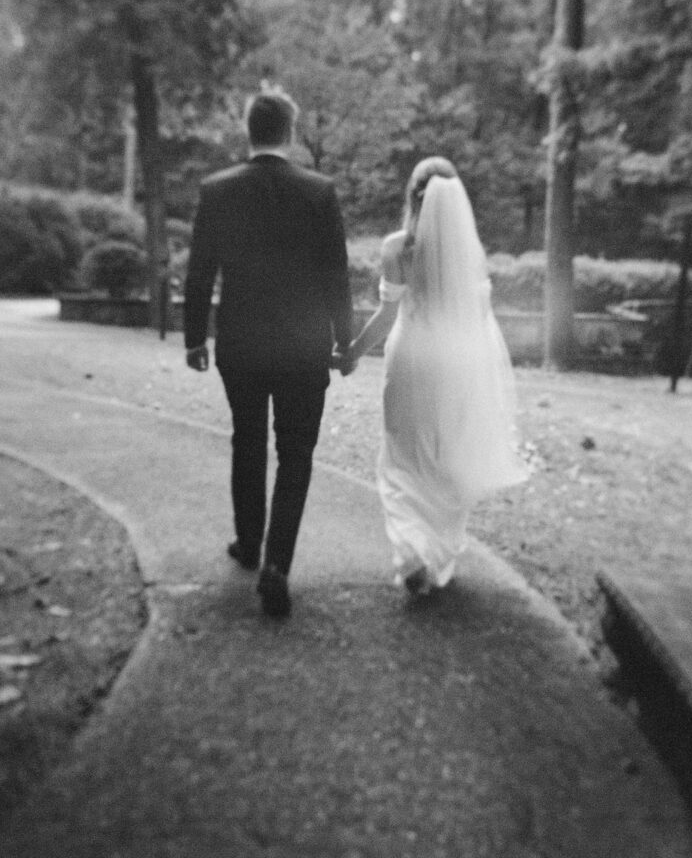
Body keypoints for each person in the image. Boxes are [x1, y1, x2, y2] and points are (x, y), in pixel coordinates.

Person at [183, 90, 355, 617]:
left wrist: (194, 337)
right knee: (296, 454)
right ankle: (278, 563)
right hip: (303, 347)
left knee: (248, 440)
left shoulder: (218, 191)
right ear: (291, 130)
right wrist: (344, 342)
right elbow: (336, 275)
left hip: (241, 342)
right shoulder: (319, 192)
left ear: (248, 129)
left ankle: (248, 542)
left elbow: (200, 272)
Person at [347, 157, 527, 596]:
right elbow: (479, 323)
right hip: (456, 366)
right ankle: (434, 552)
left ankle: (411, 551)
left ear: (412, 196)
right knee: (447, 458)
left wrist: (353, 350)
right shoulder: (469, 254)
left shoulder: (395, 248)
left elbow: (388, 315)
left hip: (410, 362)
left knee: (402, 459)